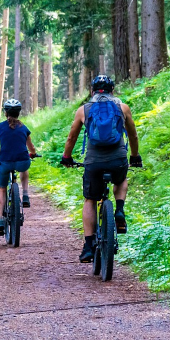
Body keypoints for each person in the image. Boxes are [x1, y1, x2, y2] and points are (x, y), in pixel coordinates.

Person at [60, 75, 142, 263]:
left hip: (94, 162)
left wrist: (66, 157)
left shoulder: (84, 110)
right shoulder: (123, 108)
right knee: (121, 179)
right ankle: (119, 210)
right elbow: (133, 135)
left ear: (92, 91)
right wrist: (135, 156)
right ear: (113, 90)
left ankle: (88, 245)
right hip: (118, 159)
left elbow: (71, 138)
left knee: (90, 199)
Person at [0, 99, 38, 236]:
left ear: (5, 112)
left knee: (1, 189)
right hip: (22, 161)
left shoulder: (0, 127)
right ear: (19, 113)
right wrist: (33, 154)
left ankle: (0, 220)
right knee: (24, 168)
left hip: (4, 162)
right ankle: (25, 194)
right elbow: (31, 147)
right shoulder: (24, 128)